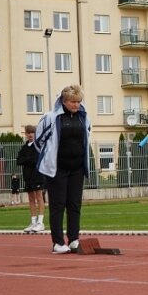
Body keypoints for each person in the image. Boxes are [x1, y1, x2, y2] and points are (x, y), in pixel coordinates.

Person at [35, 85, 91, 254]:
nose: (76, 105)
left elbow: (87, 136)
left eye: (79, 102)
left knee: (75, 204)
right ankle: (57, 242)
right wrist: (50, 158)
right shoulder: (51, 117)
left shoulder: (84, 118)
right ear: (64, 101)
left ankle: (73, 239)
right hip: (57, 169)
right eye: (73, 102)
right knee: (58, 205)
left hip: (77, 168)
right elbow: (39, 141)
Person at [16, 124, 46, 233]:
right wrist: (27, 159)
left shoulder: (38, 146)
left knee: (39, 197)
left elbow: (35, 160)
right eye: (28, 133)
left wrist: (26, 159)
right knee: (31, 198)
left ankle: (40, 222)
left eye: (32, 132)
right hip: (27, 176)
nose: (30, 135)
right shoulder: (24, 147)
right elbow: (18, 160)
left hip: (38, 174)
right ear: (25, 134)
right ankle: (33, 222)